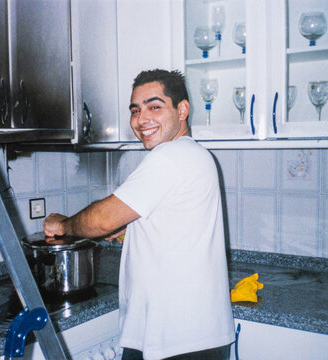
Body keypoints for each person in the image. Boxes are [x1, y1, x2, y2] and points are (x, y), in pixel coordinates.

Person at [43, 69, 235, 359]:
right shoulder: (195, 155)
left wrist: (64, 225)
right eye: (135, 110)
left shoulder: (170, 157)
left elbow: (102, 219)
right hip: (194, 336)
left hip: (176, 341)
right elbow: (171, 221)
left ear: (182, 109)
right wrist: (130, 230)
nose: (141, 119)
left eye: (154, 107)